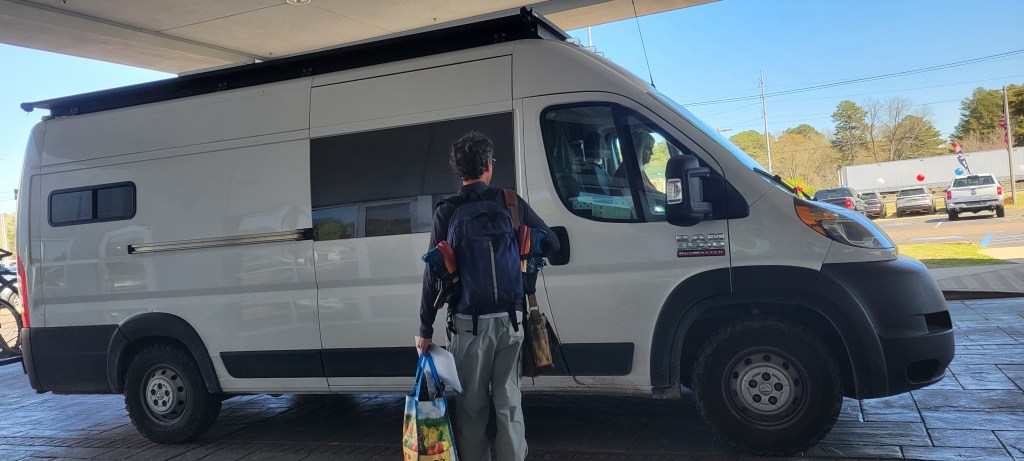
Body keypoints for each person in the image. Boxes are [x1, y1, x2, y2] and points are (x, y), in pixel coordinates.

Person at [417, 132, 559, 461]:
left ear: (459, 170)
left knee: (472, 408)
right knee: (509, 403)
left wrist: (425, 328)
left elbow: (432, 274)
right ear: (488, 166)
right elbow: (551, 243)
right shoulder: (509, 202)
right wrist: (525, 257)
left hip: (468, 326)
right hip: (511, 321)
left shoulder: (447, 210)